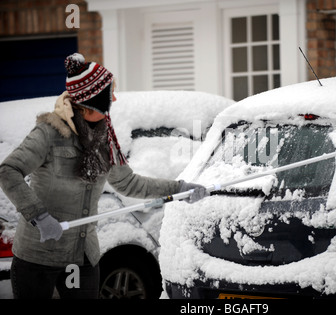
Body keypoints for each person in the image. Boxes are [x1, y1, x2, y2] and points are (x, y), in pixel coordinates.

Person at [0, 53, 208, 299]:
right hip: (38, 257)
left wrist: (180, 188)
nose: (114, 99)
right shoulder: (49, 133)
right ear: (92, 99)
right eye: (109, 94)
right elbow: (8, 171)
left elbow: (129, 183)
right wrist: (39, 216)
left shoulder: (104, 139)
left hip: (82, 256)